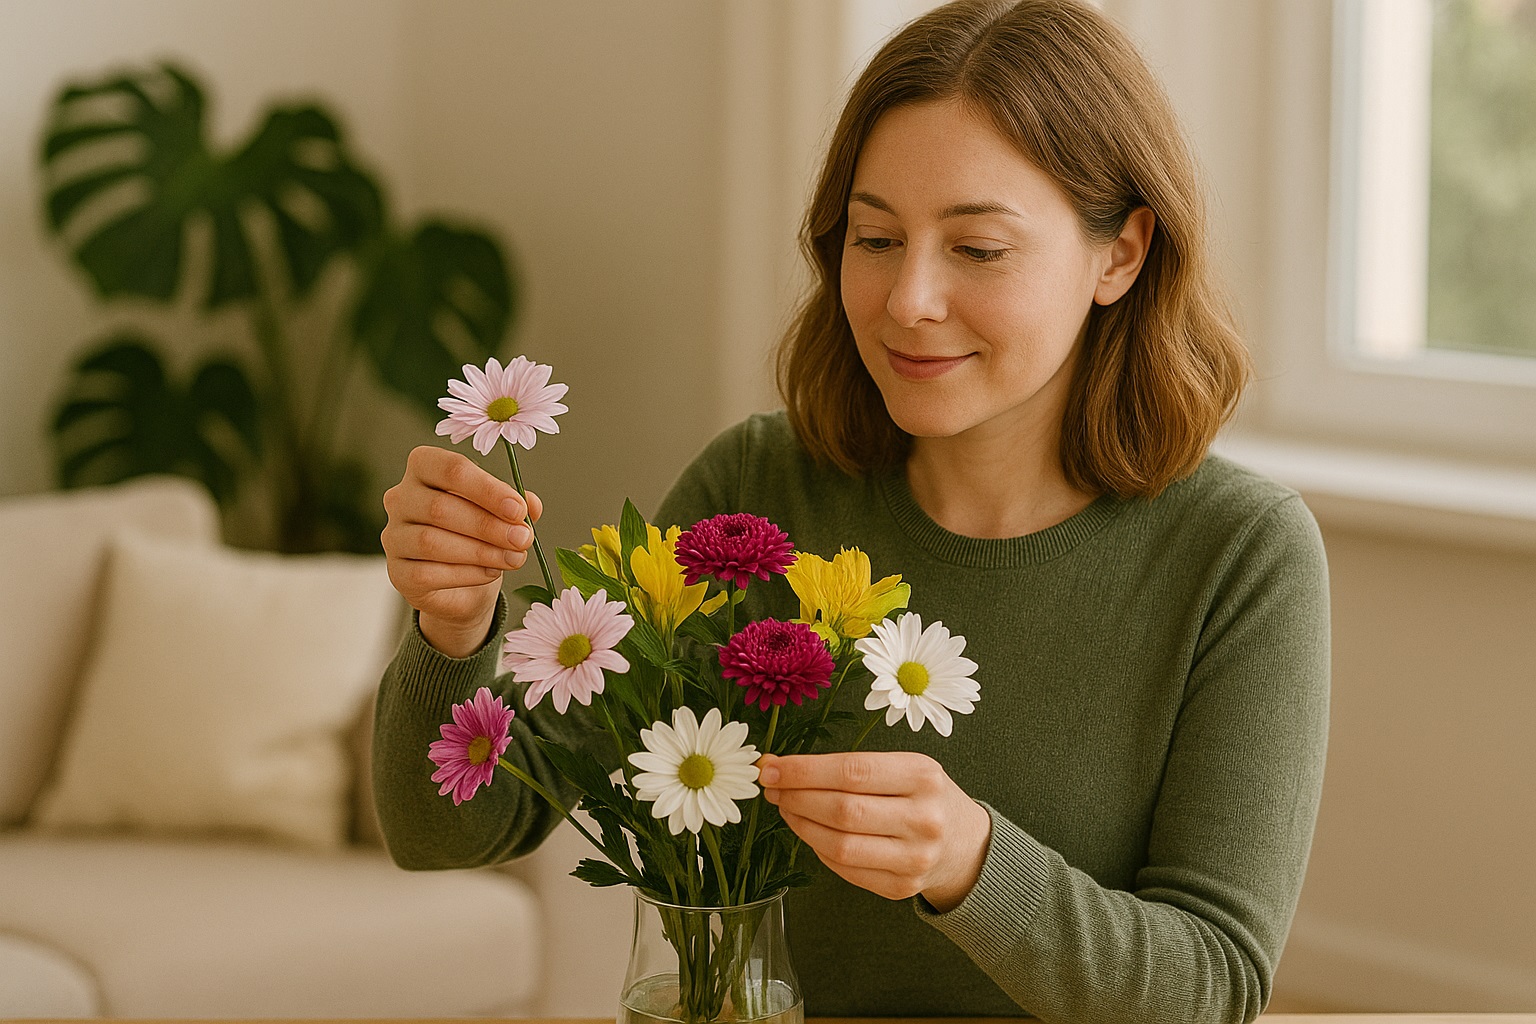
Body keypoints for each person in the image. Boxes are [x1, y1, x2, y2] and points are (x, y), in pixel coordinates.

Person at [371, 0, 1329, 1019]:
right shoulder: (755, 497)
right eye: (875, 237)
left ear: (1121, 255)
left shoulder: (1240, 554)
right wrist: (456, 623)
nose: (907, 297)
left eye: (978, 249)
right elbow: (450, 833)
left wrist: (971, 863)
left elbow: (1213, 988)